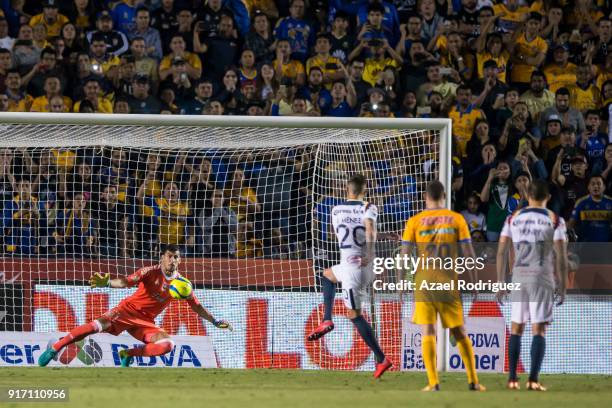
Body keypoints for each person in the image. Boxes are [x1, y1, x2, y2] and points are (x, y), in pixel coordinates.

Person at [38, 245, 233, 368]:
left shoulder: (183, 285)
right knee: (94, 326)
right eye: (170, 256)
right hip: (126, 311)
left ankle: (128, 354)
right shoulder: (149, 272)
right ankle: (56, 347)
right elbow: (125, 282)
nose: (173, 260)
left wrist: (215, 321)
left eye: (176, 257)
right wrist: (106, 283)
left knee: (168, 345)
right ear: (162, 258)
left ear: (180, 261)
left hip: (146, 322)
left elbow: (196, 306)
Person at [400, 180, 485, 391]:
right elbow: (468, 253)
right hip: (448, 282)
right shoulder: (457, 219)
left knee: (428, 330)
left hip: (424, 282)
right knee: (459, 332)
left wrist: (402, 282)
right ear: (444, 196)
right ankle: (473, 381)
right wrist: (474, 283)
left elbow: (404, 255)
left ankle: (433, 382)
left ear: (425, 197)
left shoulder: (414, 221)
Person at [306, 174, 392, 379]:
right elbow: (368, 231)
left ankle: (382, 359)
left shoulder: (335, 210)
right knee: (327, 275)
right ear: (365, 190)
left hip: (354, 267)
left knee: (354, 315)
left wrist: (368, 250)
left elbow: (336, 234)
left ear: (347, 188)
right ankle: (326, 320)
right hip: (360, 266)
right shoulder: (368, 207)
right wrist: (377, 244)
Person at [496, 179, 568, 391]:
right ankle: (533, 380)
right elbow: (561, 257)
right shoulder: (555, 220)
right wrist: (562, 286)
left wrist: (501, 283)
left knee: (517, 327)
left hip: (519, 277)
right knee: (539, 330)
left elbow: (501, 252)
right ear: (548, 197)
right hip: (542, 278)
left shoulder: (513, 218)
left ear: (527, 196)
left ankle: (512, 379)